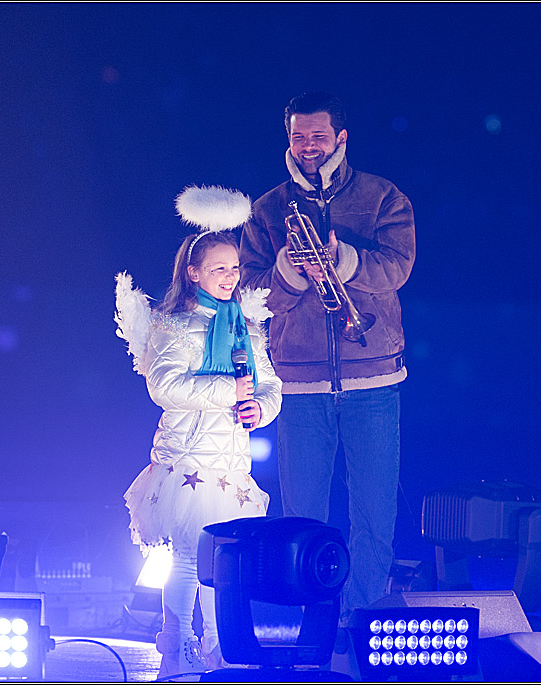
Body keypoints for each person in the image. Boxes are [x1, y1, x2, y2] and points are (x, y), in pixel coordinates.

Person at [239, 92, 415, 625]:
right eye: (298, 136)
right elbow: (249, 292)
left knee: (373, 513)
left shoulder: (384, 197)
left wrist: (344, 261)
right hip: (299, 381)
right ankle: (313, 622)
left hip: (374, 376)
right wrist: (290, 274)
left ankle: (360, 619)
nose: (308, 146)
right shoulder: (268, 210)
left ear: (341, 138)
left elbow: (398, 268)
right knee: (304, 513)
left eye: (318, 136)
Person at [117, 186, 282, 677]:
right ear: (193, 272)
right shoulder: (178, 326)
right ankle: (177, 641)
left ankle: (218, 642)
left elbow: (270, 384)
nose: (230, 278)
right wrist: (229, 392)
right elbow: (164, 385)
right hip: (188, 462)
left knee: (223, 562)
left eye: (234, 268)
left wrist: (260, 408)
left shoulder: (247, 328)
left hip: (231, 464)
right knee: (190, 558)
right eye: (218, 269)